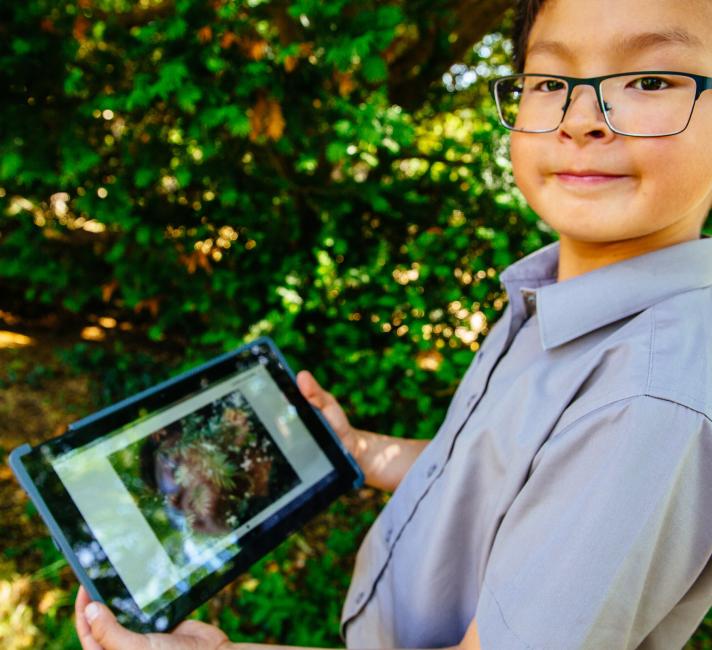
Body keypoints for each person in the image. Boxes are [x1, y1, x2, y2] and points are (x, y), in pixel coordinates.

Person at [74, 0, 712, 647]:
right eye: (549, 82)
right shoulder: (552, 294)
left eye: (651, 80)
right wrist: (359, 453)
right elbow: (497, 476)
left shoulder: (649, 398)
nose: (580, 119)